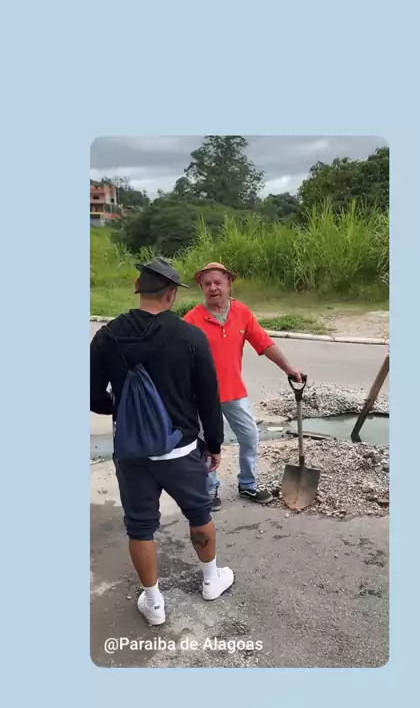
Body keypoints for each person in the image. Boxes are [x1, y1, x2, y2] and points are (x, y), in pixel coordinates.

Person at [90, 257, 234, 626]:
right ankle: (211, 580)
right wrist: (214, 445)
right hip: (181, 450)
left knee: (140, 526)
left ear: (138, 288)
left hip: (132, 453)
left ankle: (153, 603)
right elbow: (209, 398)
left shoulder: (107, 336)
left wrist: (122, 408)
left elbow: (91, 395)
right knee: (199, 513)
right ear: (171, 295)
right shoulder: (190, 336)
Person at [184, 262, 303, 510]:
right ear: (202, 288)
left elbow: (264, 343)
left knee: (250, 436)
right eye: (207, 284)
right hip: (202, 397)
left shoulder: (241, 312)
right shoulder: (192, 319)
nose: (213, 288)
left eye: (218, 282)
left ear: (229, 284)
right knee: (206, 444)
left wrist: (288, 368)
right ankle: (209, 489)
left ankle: (248, 484)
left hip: (234, 392)